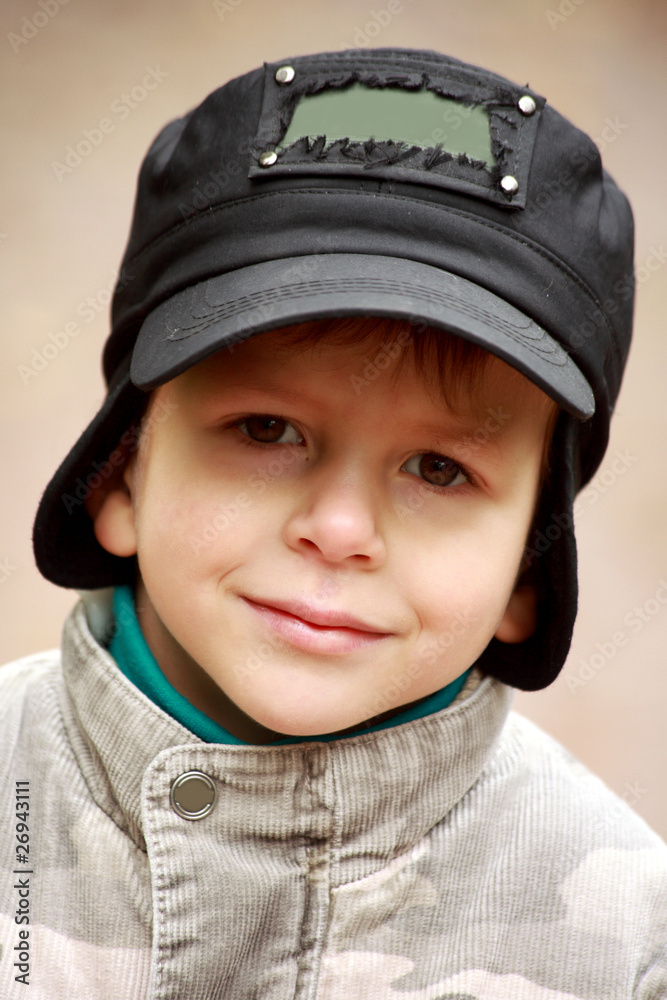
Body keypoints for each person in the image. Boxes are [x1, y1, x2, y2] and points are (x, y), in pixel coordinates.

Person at [1, 46, 665, 999]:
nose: (340, 526)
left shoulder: (627, 944)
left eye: (439, 469)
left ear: (530, 568)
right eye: (266, 429)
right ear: (118, 474)